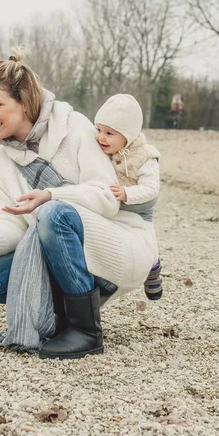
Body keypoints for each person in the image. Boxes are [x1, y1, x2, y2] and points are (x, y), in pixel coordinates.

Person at [0, 50, 158, 360]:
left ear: (25, 102)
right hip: (62, 243)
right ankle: (55, 319)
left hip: (121, 241)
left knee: (52, 212)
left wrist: (51, 195)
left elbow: (105, 197)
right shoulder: (4, 161)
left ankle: (85, 331)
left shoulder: (75, 129)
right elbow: (13, 222)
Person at [94, 94, 163, 300]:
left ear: (128, 135)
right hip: (114, 205)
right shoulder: (102, 150)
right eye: (98, 130)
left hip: (137, 203)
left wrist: (127, 193)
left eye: (109, 133)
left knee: (146, 233)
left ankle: (153, 266)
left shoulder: (144, 156)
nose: (101, 137)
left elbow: (151, 188)